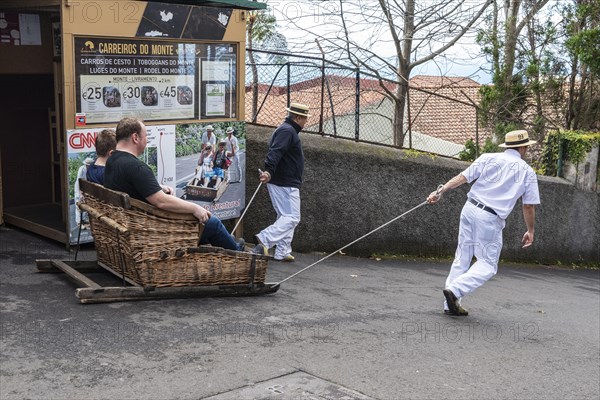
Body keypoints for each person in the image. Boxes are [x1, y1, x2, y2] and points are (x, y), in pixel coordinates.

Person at [427, 130, 540, 316]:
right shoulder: (527, 172)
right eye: (527, 146)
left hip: (469, 208)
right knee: (487, 264)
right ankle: (455, 291)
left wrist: (440, 191)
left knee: (462, 256)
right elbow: (528, 206)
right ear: (523, 148)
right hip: (489, 217)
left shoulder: (488, 157)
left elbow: (462, 178)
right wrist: (531, 230)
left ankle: (450, 304)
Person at [104, 117, 244, 251]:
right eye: (146, 136)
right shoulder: (136, 167)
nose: (147, 141)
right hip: (154, 230)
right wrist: (195, 208)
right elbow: (162, 202)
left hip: (132, 224)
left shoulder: (112, 161)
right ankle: (240, 253)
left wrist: (158, 188)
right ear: (135, 138)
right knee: (211, 222)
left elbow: (133, 186)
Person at [253, 103, 310, 262]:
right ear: (298, 118)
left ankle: (282, 251)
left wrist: (270, 171)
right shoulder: (287, 131)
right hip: (285, 182)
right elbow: (275, 152)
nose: (306, 122)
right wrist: (269, 170)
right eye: (305, 118)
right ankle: (264, 239)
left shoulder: (287, 130)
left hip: (285, 181)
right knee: (292, 217)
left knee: (284, 216)